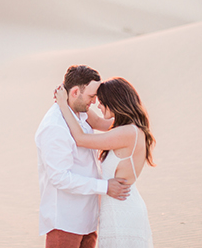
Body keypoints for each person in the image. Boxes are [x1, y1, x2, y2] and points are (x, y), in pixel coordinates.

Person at [35, 65, 132, 248]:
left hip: (88, 220)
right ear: (74, 93)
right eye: (91, 96)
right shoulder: (55, 127)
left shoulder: (80, 112)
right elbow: (60, 178)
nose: (95, 101)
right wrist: (104, 187)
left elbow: (105, 124)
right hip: (66, 222)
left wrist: (132, 113)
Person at [55, 77, 155, 248]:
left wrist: (63, 105)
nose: (98, 106)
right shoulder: (128, 127)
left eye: (101, 102)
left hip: (122, 210)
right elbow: (97, 122)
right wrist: (76, 101)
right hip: (118, 207)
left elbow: (81, 138)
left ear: (114, 102)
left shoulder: (127, 132)